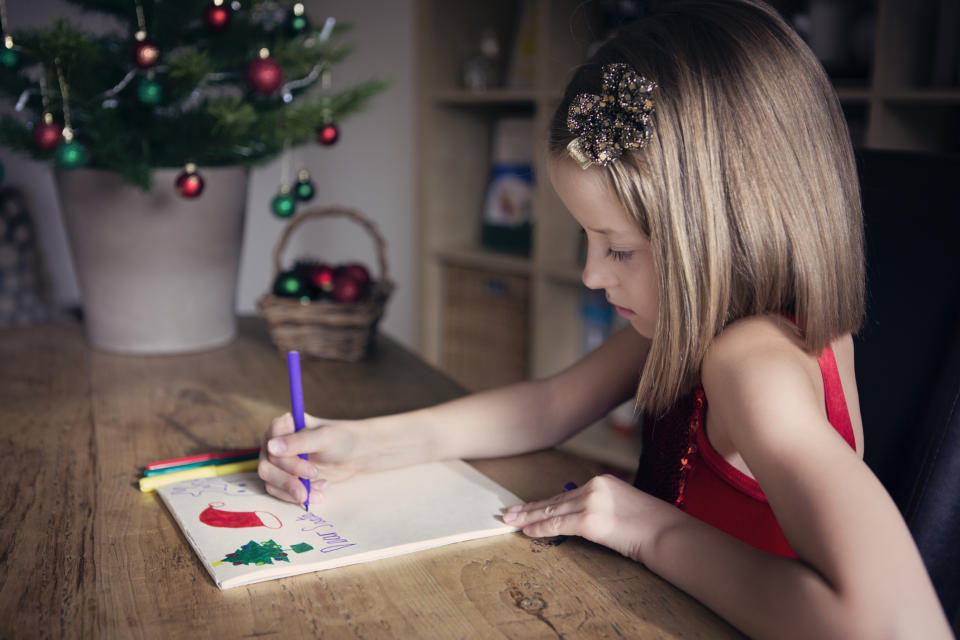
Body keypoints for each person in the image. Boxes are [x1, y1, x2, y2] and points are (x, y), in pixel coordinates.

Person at [258, 1, 952, 636]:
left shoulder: (753, 362)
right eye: (588, 241)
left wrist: (649, 530)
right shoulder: (707, 319)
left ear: (724, 230)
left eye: (619, 248)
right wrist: (360, 442)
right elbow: (550, 406)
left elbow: (891, 624)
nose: (592, 275)